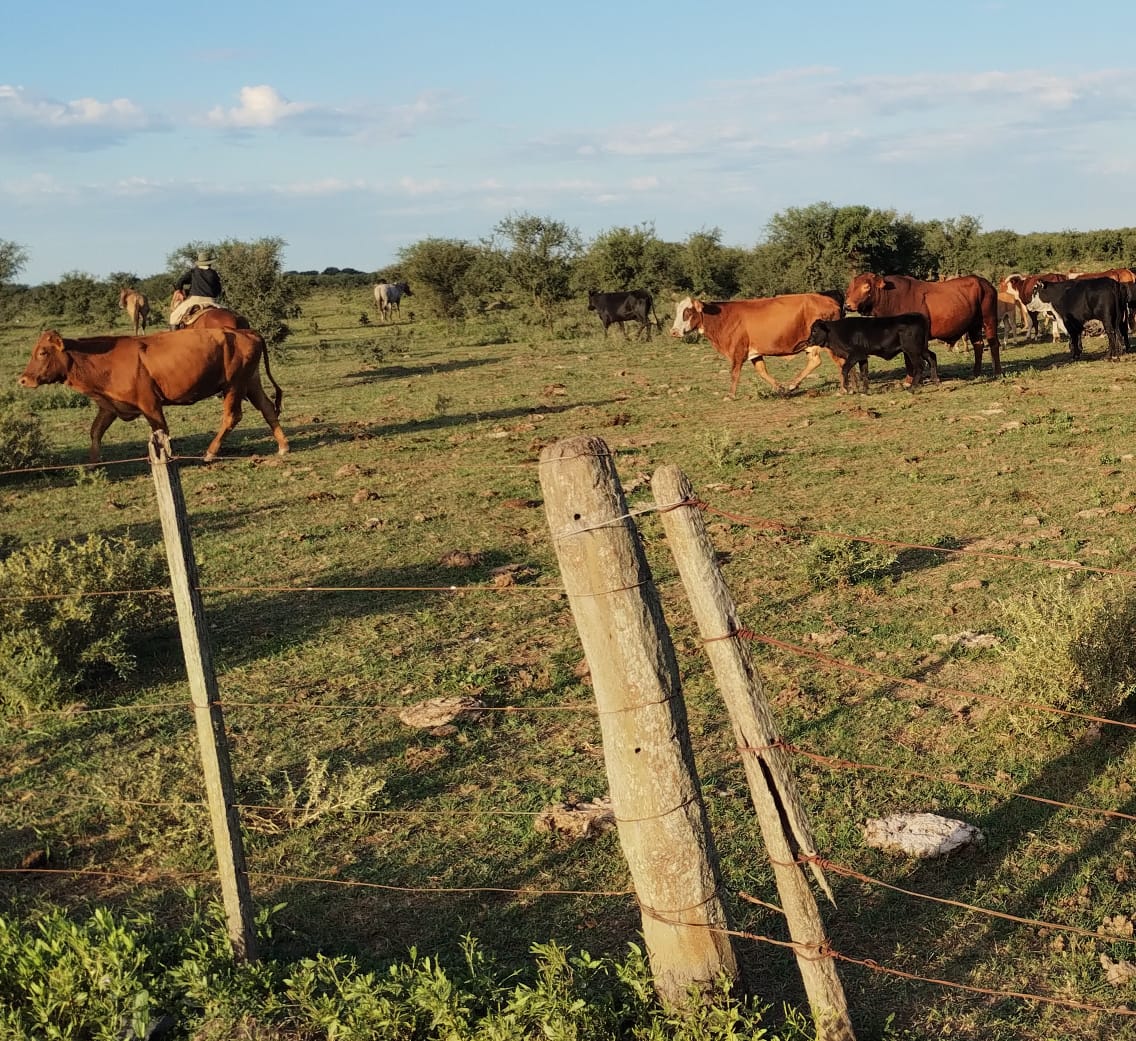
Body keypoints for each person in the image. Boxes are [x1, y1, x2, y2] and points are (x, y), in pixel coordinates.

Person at [169, 251, 223, 329]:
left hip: (194, 300)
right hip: (211, 301)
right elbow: (218, 290)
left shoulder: (194, 272)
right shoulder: (214, 273)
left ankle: (174, 338)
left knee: (174, 317)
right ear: (210, 263)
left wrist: (179, 290)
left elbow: (180, 281)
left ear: (199, 262)